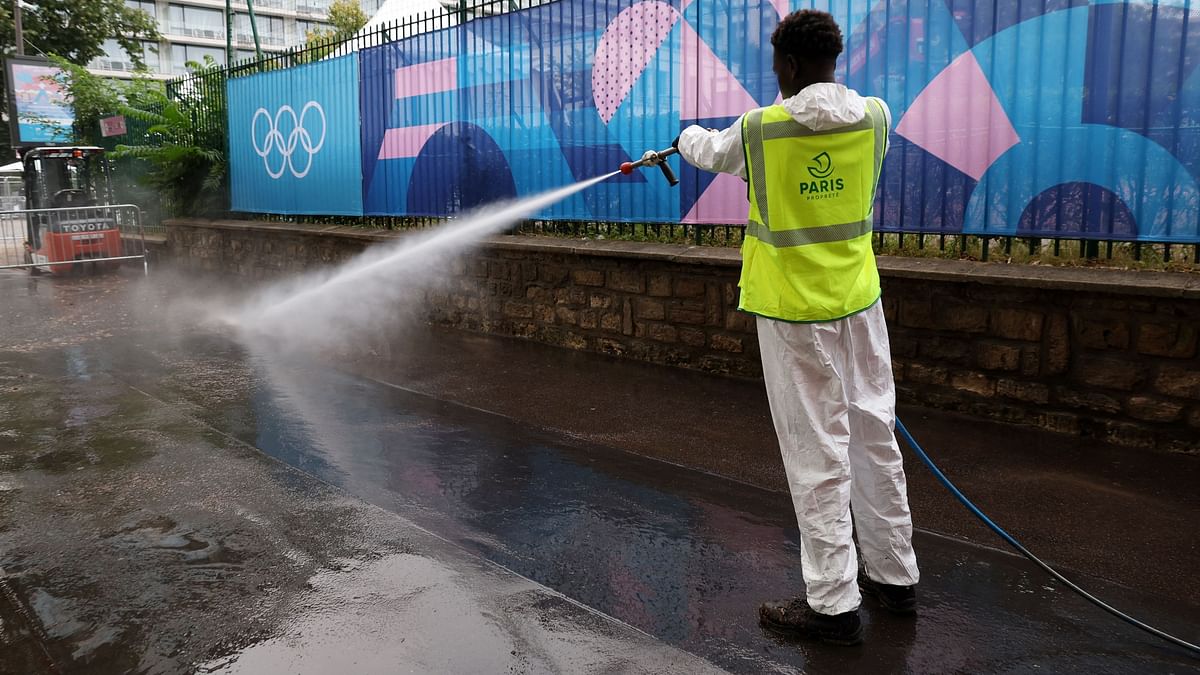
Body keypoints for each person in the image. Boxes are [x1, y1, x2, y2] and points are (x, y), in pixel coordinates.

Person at [673, 9, 919, 646]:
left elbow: (710, 150)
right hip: (860, 307)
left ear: (786, 64)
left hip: (792, 315)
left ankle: (833, 605)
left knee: (817, 454)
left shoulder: (760, 130)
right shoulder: (876, 117)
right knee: (873, 438)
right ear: (834, 60)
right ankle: (895, 578)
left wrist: (682, 138)